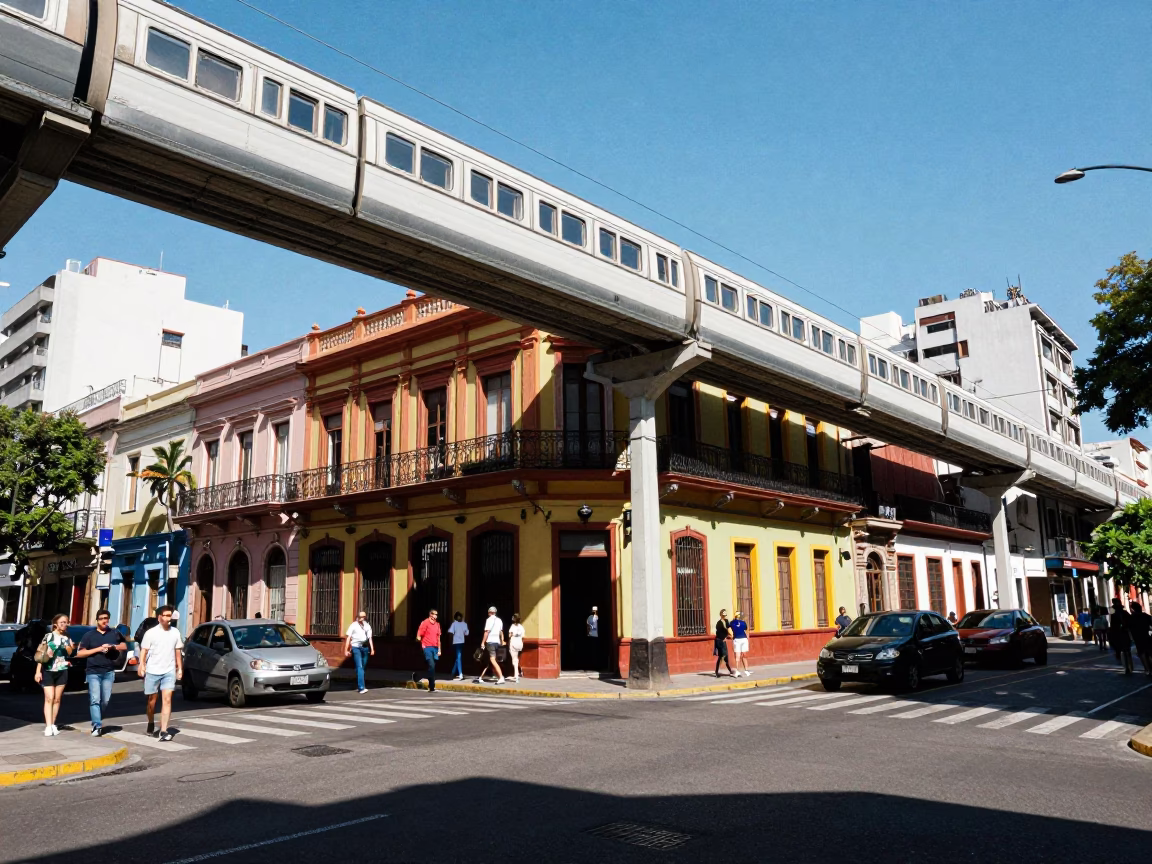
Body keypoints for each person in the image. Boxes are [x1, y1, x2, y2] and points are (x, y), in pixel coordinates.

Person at [76, 609, 128, 736]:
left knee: (105, 700)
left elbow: (124, 646)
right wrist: (99, 649)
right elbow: (80, 653)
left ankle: (97, 718)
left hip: (108, 672)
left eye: (106, 618)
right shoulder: (89, 635)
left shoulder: (114, 633)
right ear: (97, 620)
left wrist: (112, 646)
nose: (104, 620)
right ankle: (97, 725)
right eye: (101, 618)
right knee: (95, 699)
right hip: (93, 671)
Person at [138, 605, 183, 741]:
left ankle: (164, 730)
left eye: (170, 615)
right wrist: (142, 665)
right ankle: (151, 722)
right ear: (159, 617)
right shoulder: (150, 633)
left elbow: (177, 652)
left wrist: (180, 668)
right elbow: (144, 651)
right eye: (167, 615)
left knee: (167, 699)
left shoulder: (175, 632)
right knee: (151, 702)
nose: (169, 618)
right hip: (152, 671)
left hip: (169, 671)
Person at [33, 613, 74, 737]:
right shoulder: (49, 636)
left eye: (66, 622)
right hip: (48, 669)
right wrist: (38, 671)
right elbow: (41, 654)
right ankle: (48, 726)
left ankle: (53, 724)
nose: (64, 624)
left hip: (62, 670)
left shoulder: (67, 637)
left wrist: (68, 646)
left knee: (57, 699)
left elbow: (70, 653)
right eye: (62, 622)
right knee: (49, 698)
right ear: (55, 624)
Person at [343, 611, 374, 694]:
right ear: (357, 617)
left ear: (365, 617)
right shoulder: (353, 625)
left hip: (365, 648)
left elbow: (369, 638)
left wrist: (372, 649)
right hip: (356, 648)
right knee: (360, 666)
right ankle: (361, 687)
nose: (361, 618)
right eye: (360, 616)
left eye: (363, 616)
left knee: (362, 667)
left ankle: (360, 684)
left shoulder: (367, 625)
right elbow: (348, 637)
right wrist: (346, 649)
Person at [412, 608, 441, 692]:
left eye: (436, 614)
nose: (436, 616)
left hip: (435, 648)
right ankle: (432, 685)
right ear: (431, 615)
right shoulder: (425, 623)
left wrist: (439, 649)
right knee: (431, 665)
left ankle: (418, 676)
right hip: (427, 647)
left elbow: (438, 638)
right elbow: (419, 634)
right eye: (435, 614)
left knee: (432, 667)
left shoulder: (437, 625)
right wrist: (421, 642)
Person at [476, 606, 505, 685]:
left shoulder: (488, 620)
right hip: (497, 642)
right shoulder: (499, 620)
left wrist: (482, 642)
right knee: (489, 660)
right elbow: (501, 631)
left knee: (492, 660)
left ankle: (501, 677)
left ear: (489, 613)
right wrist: (502, 640)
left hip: (490, 642)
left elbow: (486, 632)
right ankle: (481, 677)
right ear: (495, 612)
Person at [1109, 598, 1134, 676]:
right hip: (1124, 633)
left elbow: (1112, 625)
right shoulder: (1124, 613)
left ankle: (1127, 667)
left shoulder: (1113, 614)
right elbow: (1130, 622)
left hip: (1118, 633)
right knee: (1127, 650)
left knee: (1122, 650)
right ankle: (1130, 666)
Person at [1127, 601, 1152, 677]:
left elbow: (1127, 628)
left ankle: (1147, 669)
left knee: (1142, 653)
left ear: (1133, 609)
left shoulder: (1131, 618)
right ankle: (1149, 668)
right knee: (1149, 652)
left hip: (1137, 638)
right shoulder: (1145, 616)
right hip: (1146, 636)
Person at [714, 609, 736, 678]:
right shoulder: (719, 623)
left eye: (725, 615)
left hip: (723, 641)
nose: (724, 616)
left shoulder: (726, 621)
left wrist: (730, 635)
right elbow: (719, 632)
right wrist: (725, 636)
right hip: (719, 641)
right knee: (721, 656)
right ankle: (717, 671)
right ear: (721, 615)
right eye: (723, 615)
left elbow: (729, 629)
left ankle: (729, 671)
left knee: (725, 656)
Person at [448, 612, 469, 680]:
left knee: (458, 657)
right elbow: (467, 633)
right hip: (462, 642)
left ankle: (459, 673)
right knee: (458, 657)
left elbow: (450, 632)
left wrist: (450, 642)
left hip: (456, 642)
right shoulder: (464, 624)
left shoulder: (454, 624)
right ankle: (454, 672)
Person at [730, 611, 751, 677]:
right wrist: (731, 635)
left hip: (743, 639)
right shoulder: (732, 623)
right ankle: (737, 670)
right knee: (738, 656)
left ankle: (746, 670)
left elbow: (746, 630)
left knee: (744, 655)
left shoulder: (743, 623)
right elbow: (728, 628)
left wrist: (747, 639)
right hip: (737, 640)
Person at [508, 613, 526, 682]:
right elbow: (523, 636)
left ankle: (516, 675)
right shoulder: (521, 627)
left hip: (513, 643)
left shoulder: (512, 626)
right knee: (517, 658)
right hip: (520, 644)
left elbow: (510, 635)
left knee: (514, 660)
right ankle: (517, 673)